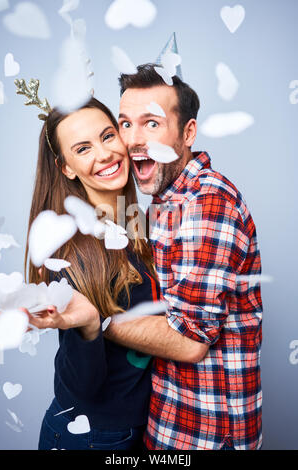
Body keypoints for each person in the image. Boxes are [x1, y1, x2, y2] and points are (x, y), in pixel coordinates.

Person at [21, 94, 204, 451]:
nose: (104, 154)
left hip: (142, 428)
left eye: (107, 136)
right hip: (92, 437)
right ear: (66, 167)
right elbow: (81, 388)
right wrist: (90, 326)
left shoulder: (136, 221)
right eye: (83, 148)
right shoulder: (69, 248)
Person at [102, 64, 263, 450]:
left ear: (188, 132)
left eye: (151, 124)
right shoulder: (164, 202)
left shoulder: (205, 202)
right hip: (168, 425)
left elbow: (190, 342)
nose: (133, 140)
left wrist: (94, 320)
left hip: (204, 436)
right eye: (125, 124)